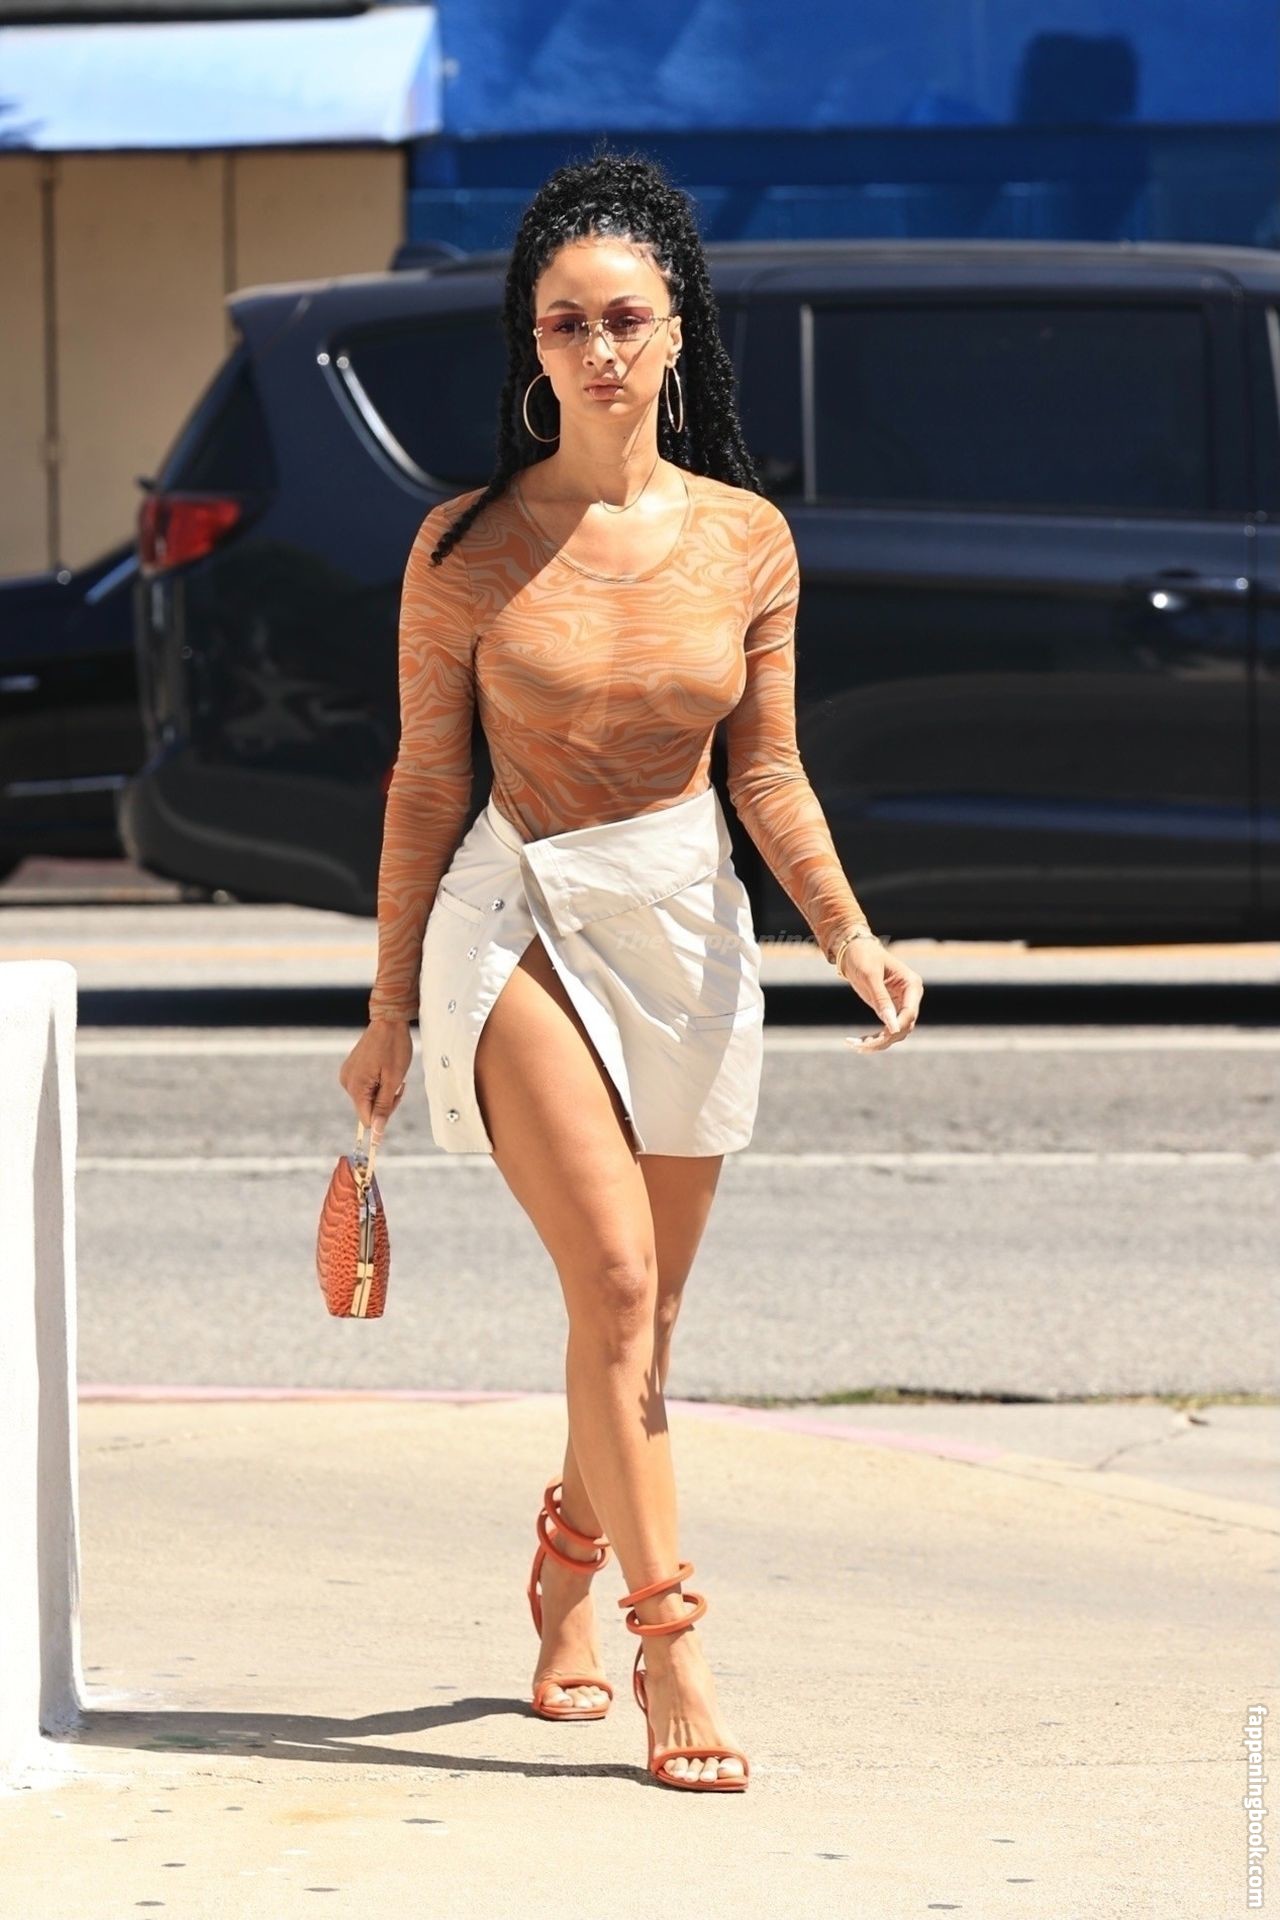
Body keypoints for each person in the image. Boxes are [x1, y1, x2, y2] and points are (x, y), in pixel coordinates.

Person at [340, 143, 924, 1792]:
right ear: (532, 346)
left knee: (646, 1324)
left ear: (676, 334)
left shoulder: (747, 540)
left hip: (683, 923)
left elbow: (769, 771)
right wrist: (388, 1008)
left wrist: (849, 933)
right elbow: (424, 784)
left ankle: (563, 1569)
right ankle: (674, 1643)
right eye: (565, 322)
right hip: (517, 912)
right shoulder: (463, 548)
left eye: (624, 319)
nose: (597, 348)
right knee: (607, 1284)